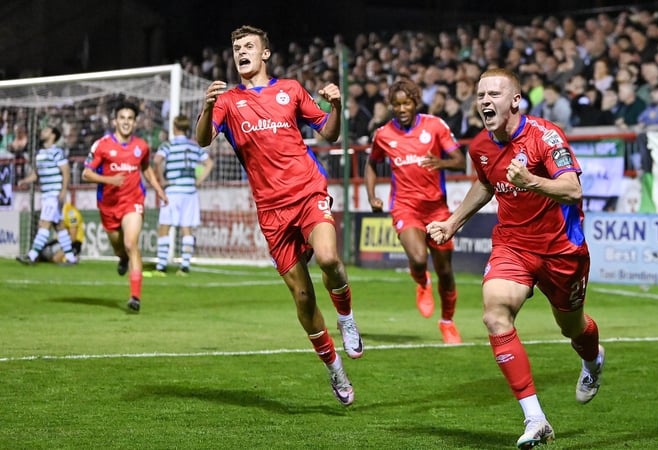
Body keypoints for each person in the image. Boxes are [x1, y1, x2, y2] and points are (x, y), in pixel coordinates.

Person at [426, 68, 604, 449]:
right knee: (494, 314)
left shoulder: (545, 136)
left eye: (493, 94)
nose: (485, 101)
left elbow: (572, 190)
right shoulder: (480, 146)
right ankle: (535, 418)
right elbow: (487, 183)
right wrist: (453, 222)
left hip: (561, 251)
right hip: (513, 246)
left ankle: (592, 360)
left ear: (515, 101)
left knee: (572, 327)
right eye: (480, 95)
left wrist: (532, 182)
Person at [196, 25, 363, 407]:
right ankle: (334, 368)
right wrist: (206, 108)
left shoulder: (290, 89)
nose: (241, 51)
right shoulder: (227, 101)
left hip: (307, 191)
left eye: (249, 46)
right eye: (237, 47)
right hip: (271, 210)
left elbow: (329, 135)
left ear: (265, 53)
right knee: (303, 298)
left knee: (329, 257)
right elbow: (203, 139)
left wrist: (336, 107)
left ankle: (347, 317)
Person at [365, 78, 466, 344]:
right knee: (419, 259)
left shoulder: (435, 126)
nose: (401, 108)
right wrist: (372, 196)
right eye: (396, 104)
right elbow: (372, 164)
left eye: (406, 102)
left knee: (445, 271)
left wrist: (441, 162)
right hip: (405, 207)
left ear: (415, 103)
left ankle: (447, 323)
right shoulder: (383, 134)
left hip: (438, 209)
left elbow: (460, 161)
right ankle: (422, 281)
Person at [82, 101, 168, 312]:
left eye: (130, 118)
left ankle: (135, 297)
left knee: (131, 244)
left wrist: (158, 188)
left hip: (133, 201)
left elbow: (146, 168)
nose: (126, 122)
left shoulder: (141, 146)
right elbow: (86, 174)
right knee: (120, 248)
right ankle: (121, 258)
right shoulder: (101, 145)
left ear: (135, 122)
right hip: (108, 205)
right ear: (115, 121)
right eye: (122, 118)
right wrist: (110, 180)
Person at [152, 114, 214, 275]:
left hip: (173, 191)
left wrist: (162, 179)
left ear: (174, 127)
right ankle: (185, 266)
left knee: (165, 227)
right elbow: (209, 163)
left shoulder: (168, 145)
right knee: (187, 229)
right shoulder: (195, 146)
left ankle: (161, 266)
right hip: (190, 192)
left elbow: (157, 160)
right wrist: (198, 181)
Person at [15, 126, 79, 266]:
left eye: (46, 131)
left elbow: (66, 171)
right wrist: (25, 180)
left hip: (54, 194)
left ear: (53, 135)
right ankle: (71, 258)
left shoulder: (57, 152)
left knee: (44, 223)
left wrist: (63, 190)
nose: (42, 132)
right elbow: (36, 174)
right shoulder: (40, 153)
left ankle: (32, 256)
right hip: (47, 195)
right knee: (59, 226)